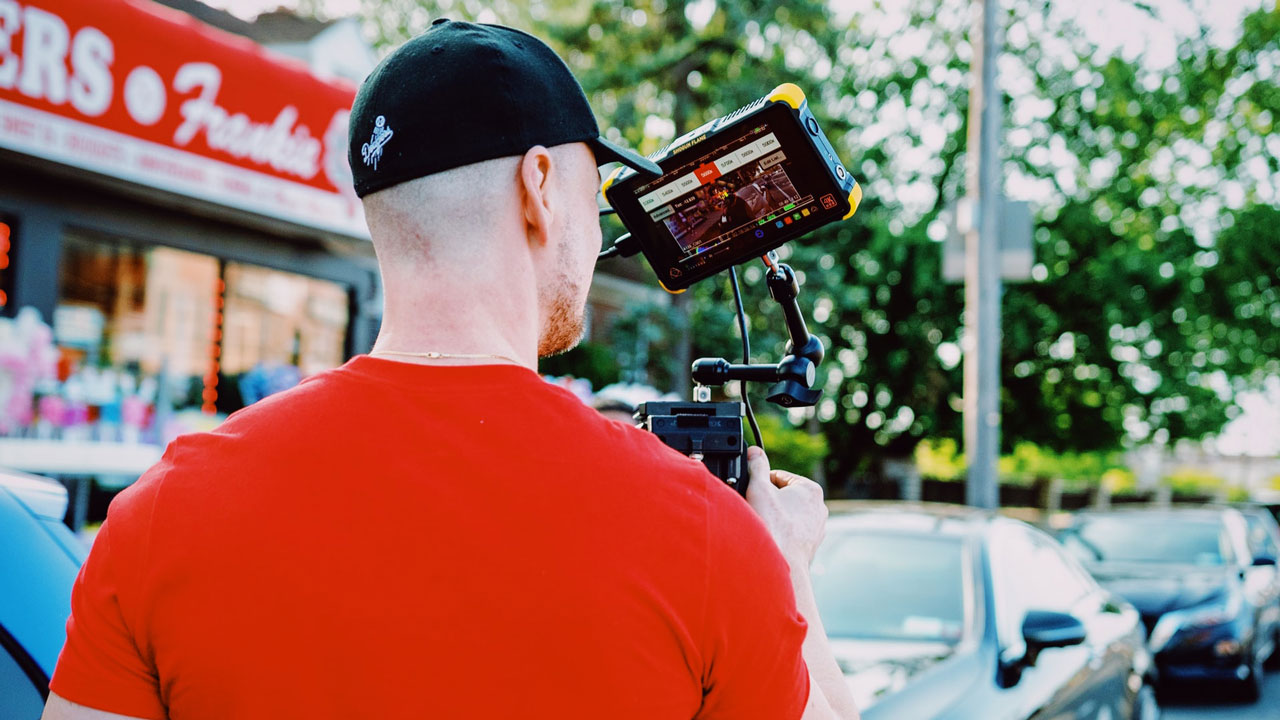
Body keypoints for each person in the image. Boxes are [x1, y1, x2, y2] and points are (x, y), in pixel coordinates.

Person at [43, 21, 859, 720]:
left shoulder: (158, 515)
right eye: (593, 194)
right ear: (539, 187)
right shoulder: (707, 539)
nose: (597, 231)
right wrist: (785, 570)